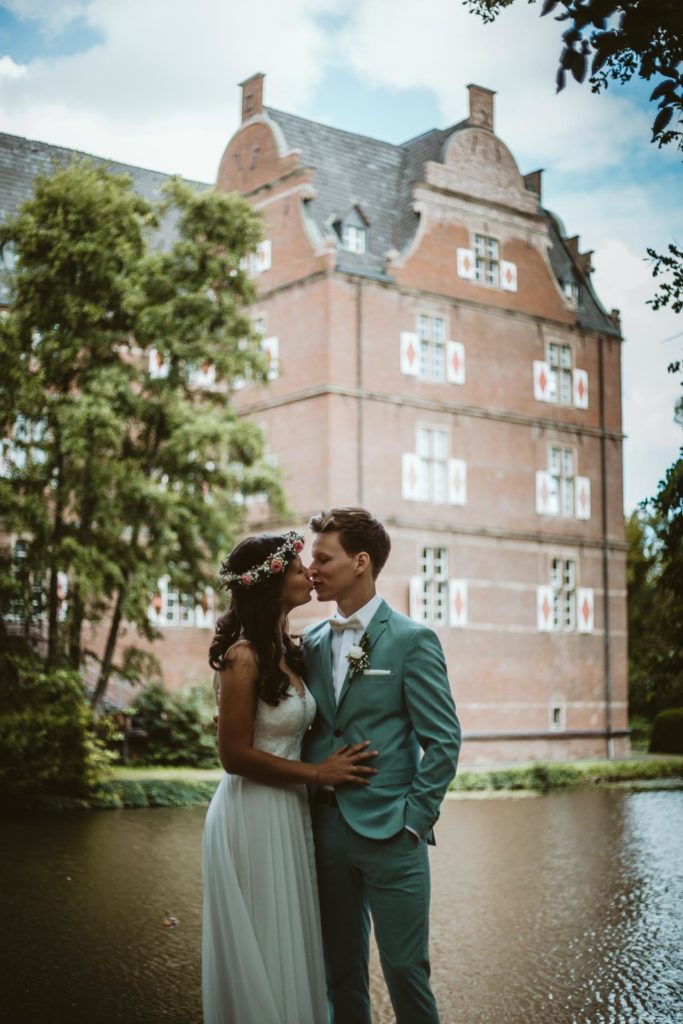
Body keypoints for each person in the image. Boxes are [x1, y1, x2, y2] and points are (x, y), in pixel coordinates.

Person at [202, 531, 378, 1024]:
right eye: (299, 568)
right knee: (264, 938)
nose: (309, 574)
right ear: (272, 583)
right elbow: (233, 755)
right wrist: (319, 773)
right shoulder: (243, 656)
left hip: (288, 810)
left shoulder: (286, 647)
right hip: (252, 812)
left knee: (291, 936)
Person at [302, 507, 461, 1024]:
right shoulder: (312, 642)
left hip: (395, 834)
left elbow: (443, 741)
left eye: (323, 558)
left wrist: (414, 820)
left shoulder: (412, 641)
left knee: (406, 973)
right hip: (326, 834)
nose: (313, 568)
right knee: (341, 977)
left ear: (361, 563)